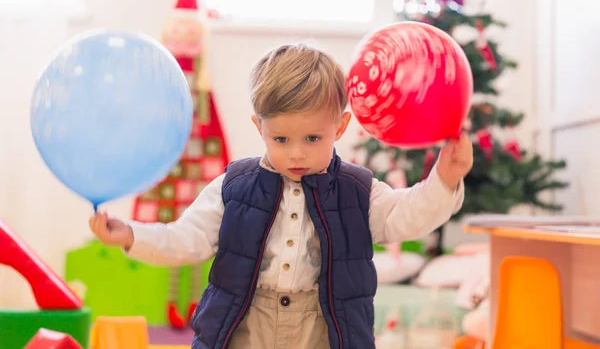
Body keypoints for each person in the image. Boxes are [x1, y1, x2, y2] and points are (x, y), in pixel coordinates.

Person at [89, 43, 473, 349]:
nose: (297, 153)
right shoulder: (234, 186)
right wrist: (132, 235)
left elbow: (406, 216)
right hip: (243, 322)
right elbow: (185, 238)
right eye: (281, 139)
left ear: (339, 126)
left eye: (312, 138)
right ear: (259, 127)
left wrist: (444, 179)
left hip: (324, 327)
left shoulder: (358, 190)